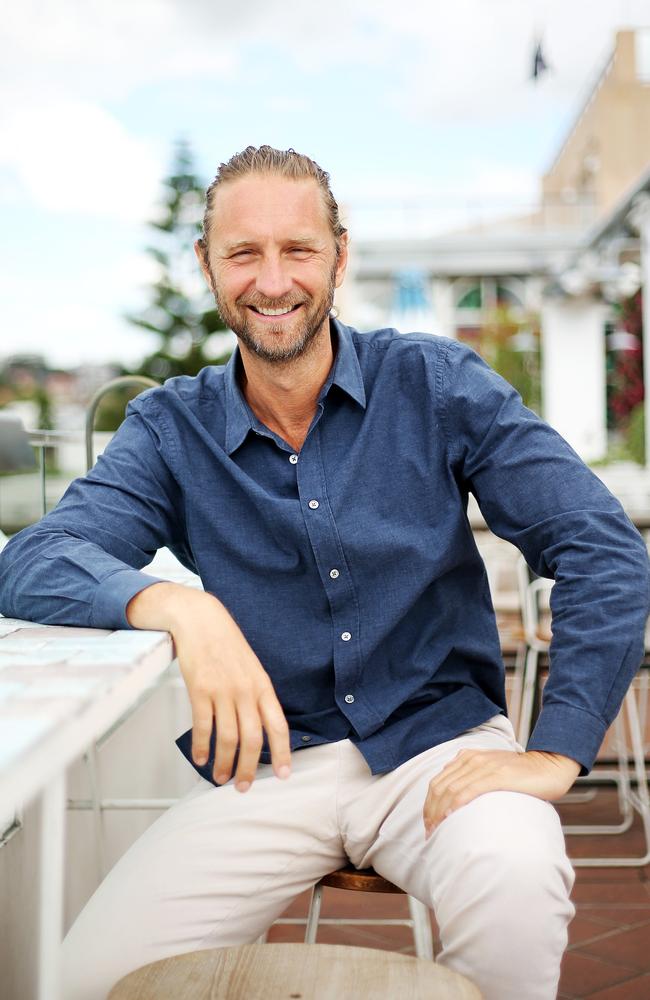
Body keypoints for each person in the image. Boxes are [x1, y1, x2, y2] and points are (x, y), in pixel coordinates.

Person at [1, 145, 648, 1000]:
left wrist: (560, 750)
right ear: (207, 266)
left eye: (297, 250)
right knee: (85, 978)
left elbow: (604, 547)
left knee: (518, 886)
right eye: (244, 253)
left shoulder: (438, 383)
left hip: (441, 745)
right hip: (270, 765)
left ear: (340, 256)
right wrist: (180, 610)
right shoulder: (168, 428)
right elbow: (33, 560)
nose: (273, 281)